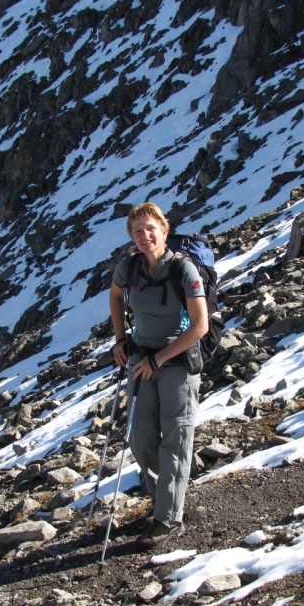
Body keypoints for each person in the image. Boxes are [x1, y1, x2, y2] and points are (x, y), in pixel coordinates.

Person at [110, 202, 208, 548]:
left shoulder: (184, 269)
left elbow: (199, 326)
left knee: (176, 438)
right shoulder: (129, 267)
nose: (145, 236)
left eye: (151, 229)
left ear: (164, 231)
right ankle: (162, 500)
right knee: (141, 437)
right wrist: (120, 339)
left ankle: (168, 519)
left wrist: (159, 359)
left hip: (178, 362)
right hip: (141, 359)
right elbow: (116, 296)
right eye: (137, 231)